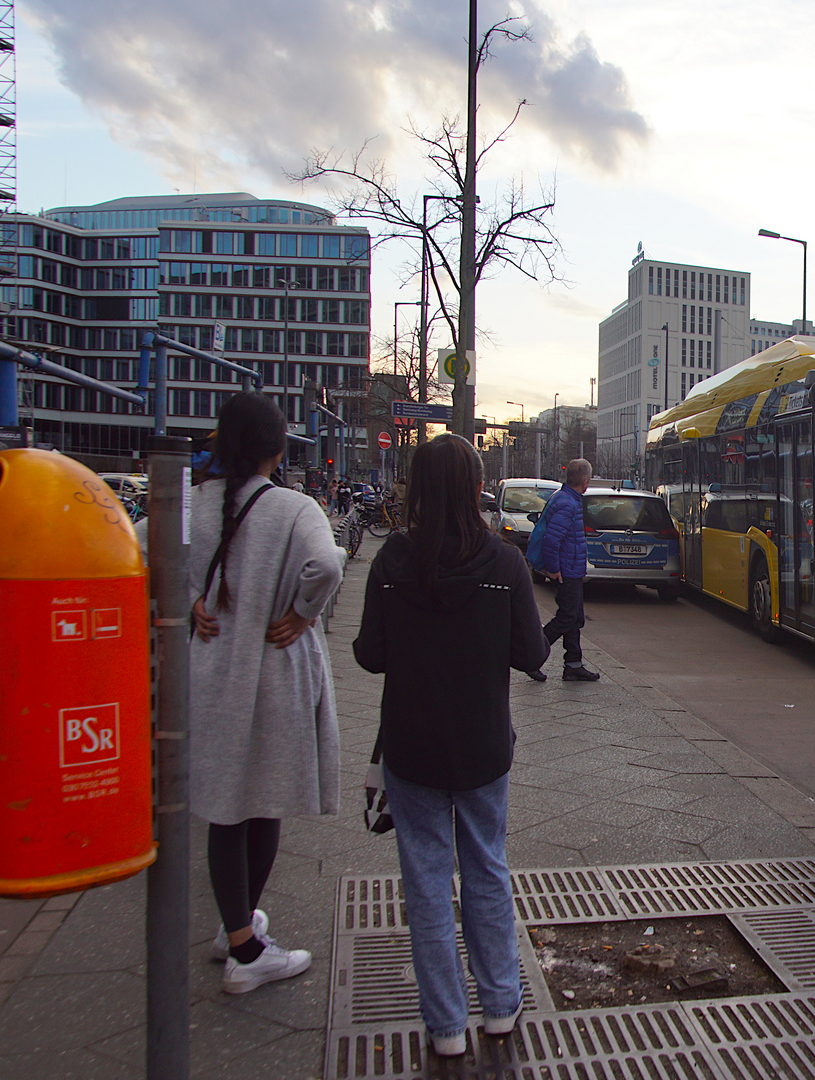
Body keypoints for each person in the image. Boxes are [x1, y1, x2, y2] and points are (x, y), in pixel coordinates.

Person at [352, 434, 548, 1055]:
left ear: (417, 487)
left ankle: (444, 1028)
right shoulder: (504, 563)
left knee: (427, 880)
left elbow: (369, 654)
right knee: (487, 869)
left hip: (412, 746)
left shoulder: (392, 562)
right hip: (483, 745)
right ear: (475, 489)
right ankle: (499, 1005)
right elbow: (531, 653)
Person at [188, 392, 345, 994]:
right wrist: (303, 614)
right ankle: (246, 951)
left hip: (214, 672)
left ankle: (236, 929)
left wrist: (189, 605)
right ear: (279, 447)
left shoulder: (191, 506)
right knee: (266, 799)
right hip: (276, 670)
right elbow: (326, 566)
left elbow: (144, 548)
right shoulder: (293, 507)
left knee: (225, 805)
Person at [532, 458, 600, 682]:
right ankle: (532, 655)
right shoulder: (568, 503)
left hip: (570, 568)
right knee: (567, 617)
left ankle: (573, 664)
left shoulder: (565, 498)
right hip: (566, 570)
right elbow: (552, 540)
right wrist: (553, 569)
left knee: (574, 617)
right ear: (586, 480)